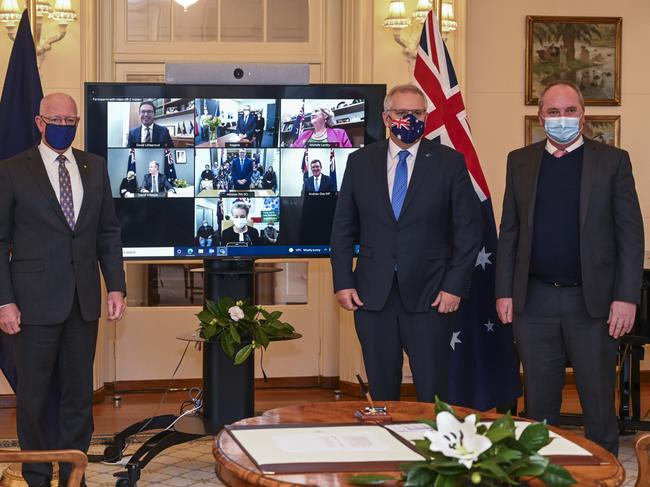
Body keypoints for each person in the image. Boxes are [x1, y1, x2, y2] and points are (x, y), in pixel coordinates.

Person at [495, 80, 644, 455]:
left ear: (583, 115)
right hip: (535, 301)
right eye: (553, 112)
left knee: (597, 405)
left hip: (593, 305)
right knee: (540, 408)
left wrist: (626, 298)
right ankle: (539, 474)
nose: (562, 118)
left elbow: (631, 236)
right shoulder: (520, 161)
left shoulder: (613, 161)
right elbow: (509, 231)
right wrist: (503, 291)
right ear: (540, 117)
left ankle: (602, 476)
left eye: (570, 111)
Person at [0, 93, 126, 487]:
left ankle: (75, 475)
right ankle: (37, 476)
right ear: (40, 122)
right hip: (32, 303)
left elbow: (108, 231)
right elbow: (0, 241)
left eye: (71, 120)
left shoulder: (95, 166)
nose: (64, 126)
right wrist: (5, 300)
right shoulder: (12, 170)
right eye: (57, 119)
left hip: (83, 302)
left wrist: (116, 286)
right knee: (34, 399)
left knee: (78, 398)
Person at [330, 84, 482, 403]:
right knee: (383, 391)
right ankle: (389, 447)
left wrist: (454, 286)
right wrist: (343, 282)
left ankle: (432, 450)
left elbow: (468, 230)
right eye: (402, 113)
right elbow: (344, 227)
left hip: (431, 295)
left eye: (418, 113)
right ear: (387, 118)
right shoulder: (360, 162)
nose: (410, 119)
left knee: (432, 391)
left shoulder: (449, 162)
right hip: (373, 296)